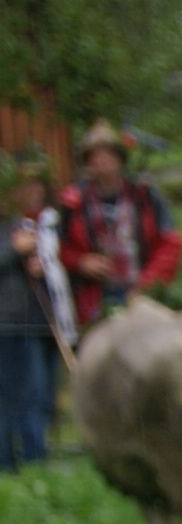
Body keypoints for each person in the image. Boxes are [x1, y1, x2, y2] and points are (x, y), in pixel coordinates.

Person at [57, 121, 182, 325]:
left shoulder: (145, 196)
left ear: (120, 158)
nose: (101, 161)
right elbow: (59, 248)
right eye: (94, 156)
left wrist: (147, 284)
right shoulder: (73, 202)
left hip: (142, 293)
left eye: (108, 154)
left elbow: (171, 244)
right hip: (94, 299)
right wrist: (81, 262)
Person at [2, 154, 77, 472]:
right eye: (25, 186)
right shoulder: (10, 230)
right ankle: (22, 462)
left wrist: (34, 265)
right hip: (9, 324)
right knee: (19, 395)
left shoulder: (30, 225)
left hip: (39, 320)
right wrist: (14, 251)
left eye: (37, 185)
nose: (32, 192)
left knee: (41, 394)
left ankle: (34, 456)